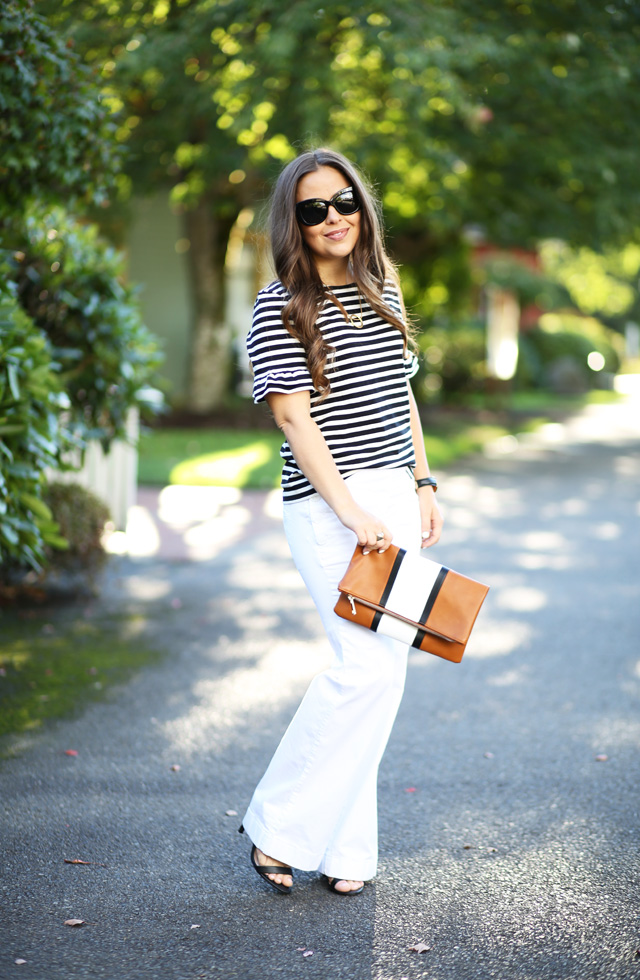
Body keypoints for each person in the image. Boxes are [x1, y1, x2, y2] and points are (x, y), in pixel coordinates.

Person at [239, 148, 443, 897]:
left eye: (344, 202)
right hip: (331, 508)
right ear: (293, 223)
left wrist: (422, 483)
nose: (333, 218)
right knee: (363, 670)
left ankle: (347, 852)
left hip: (392, 497)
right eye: (313, 209)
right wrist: (351, 510)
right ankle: (275, 827)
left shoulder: (380, 285)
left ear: (363, 207)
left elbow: (404, 396)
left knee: (382, 674)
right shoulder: (280, 304)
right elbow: (296, 422)